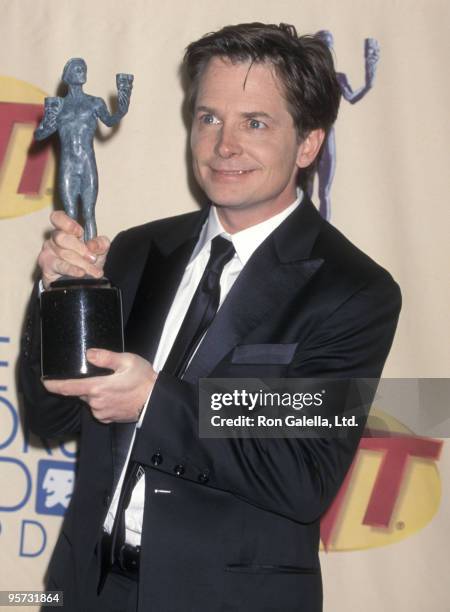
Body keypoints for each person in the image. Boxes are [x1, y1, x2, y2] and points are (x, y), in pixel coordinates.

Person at [20, 23, 401, 612]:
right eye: (208, 118)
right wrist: (60, 300)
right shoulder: (138, 250)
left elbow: (303, 473)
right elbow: (51, 411)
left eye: (255, 122)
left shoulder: (353, 291)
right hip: (86, 587)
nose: (224, 145)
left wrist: (152, 400)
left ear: (308, 144)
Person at [34, 58, 132, 241]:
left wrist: (123, 103)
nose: (82, 71)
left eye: (84, 68)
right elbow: (39, 135)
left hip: (87, 164)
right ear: (67, 75)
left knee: (88, 213)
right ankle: (73, 261)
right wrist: (48, 119)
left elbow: (110, 121)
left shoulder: (95, 103)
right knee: (70, 214)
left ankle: (91, 259)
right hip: (67, 166)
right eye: (77, 68)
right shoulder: (59, 105)